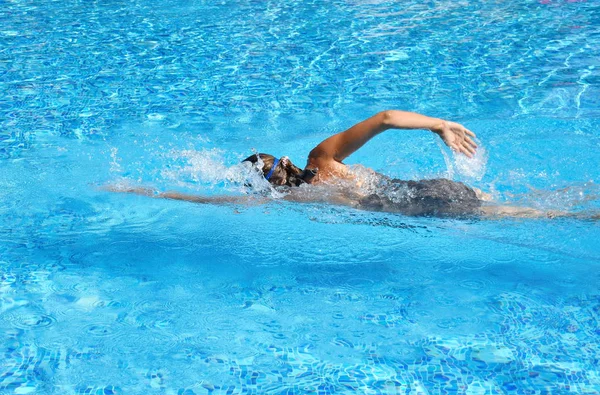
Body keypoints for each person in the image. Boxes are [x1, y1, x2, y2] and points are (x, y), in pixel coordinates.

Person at [107, 110, 583, 219]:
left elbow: (211, 200)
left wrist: (141, 191)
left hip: (425, 210)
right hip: (429, 187)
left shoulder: (289, 200)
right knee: (541, 201)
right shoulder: (321, 159)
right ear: (285, 159)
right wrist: (438, 125)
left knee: (554, 216)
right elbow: (387, 118)